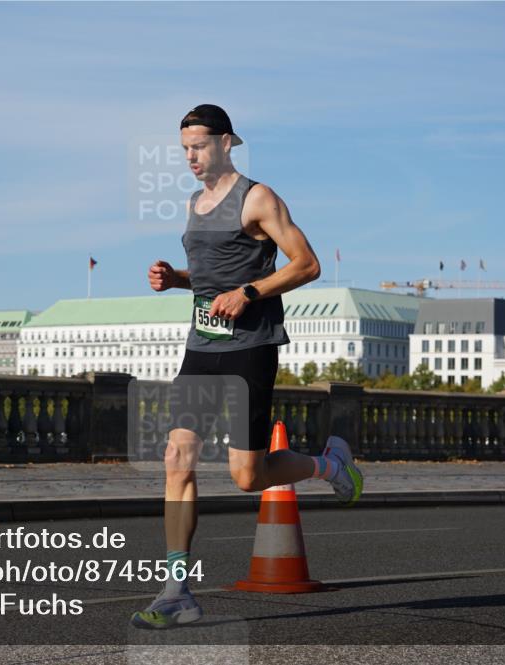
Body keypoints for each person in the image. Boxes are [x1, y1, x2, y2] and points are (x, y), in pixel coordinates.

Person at [131, 105, 364, 629]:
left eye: (199, 146)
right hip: (201, 346)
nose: (190, 157)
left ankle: (330, 465)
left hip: (249, 348)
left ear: (227, 142)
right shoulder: (195, 202)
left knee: (246, 475)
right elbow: (216, 278)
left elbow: (307, 264)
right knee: (177, 458)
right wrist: (179, 279)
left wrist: (250, 291)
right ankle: (177, 590)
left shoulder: (257, 197)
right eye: (184, 148)